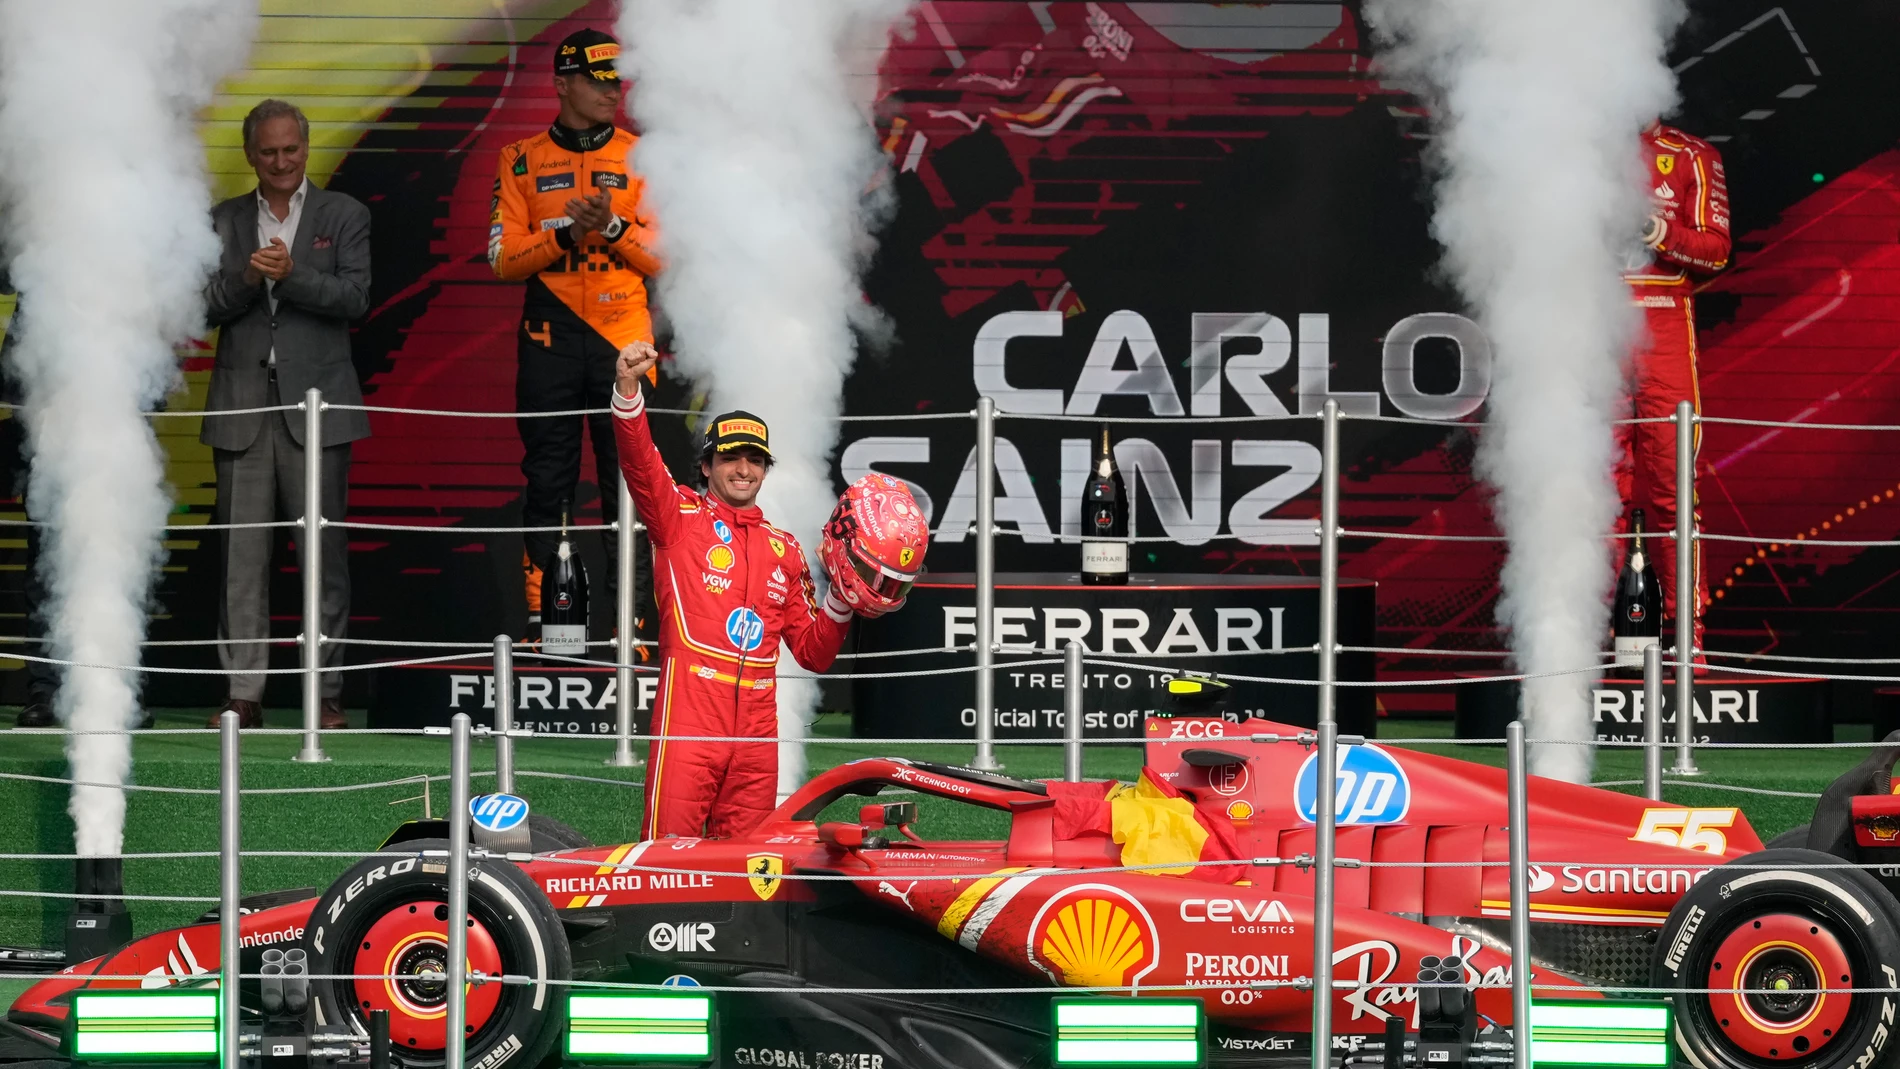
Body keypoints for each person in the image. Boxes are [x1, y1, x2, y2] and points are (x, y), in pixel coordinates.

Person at [610, 341, 856, 838]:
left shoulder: (785, 549)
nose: (743, 469)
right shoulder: (677, 517)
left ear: (766, 470)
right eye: (730, 458)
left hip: (759, 735)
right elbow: (639, 465)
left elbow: (813, 653)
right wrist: (628, 390)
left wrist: (843, 600)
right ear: (706, 465)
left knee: (747, 868)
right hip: (690, 716)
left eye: (755, 460)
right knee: (667, 858)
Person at [202, 99, 371, 729]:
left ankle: (322, 694)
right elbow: (201, 306)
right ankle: (243, 694)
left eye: (291, 150)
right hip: (241, 404)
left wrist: (293, 275)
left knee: (321, 558)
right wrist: (248, 278)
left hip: (318, 408)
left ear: (307, 148)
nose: (280, 162)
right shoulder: (221, 221)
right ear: (251, 154)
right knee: (240, 563)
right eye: (268, 152)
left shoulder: (344, 215)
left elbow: (356, 298)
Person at [490, 28, 658, 637]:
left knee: (631, 484)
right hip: (548, 335)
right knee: (548, 478)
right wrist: (564, 233)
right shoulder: (520, 158)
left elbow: (671, 258)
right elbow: (502, 260)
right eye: (598, 80)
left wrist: (612, 230)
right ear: (563, 83)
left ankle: (631, 626)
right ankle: (551, 623)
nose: (613, 91)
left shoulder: (643, 158)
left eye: (618, 79)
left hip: (625, 338)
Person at [1619, 120, 1731, 655]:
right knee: (1588, 494)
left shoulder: (1691, 154)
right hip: (1585, 324)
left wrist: (1657, 233)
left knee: (1672, 491)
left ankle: (1688, 642)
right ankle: (1577, 641)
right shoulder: (1568, 143)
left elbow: (1716, 252)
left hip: (1664, 322)